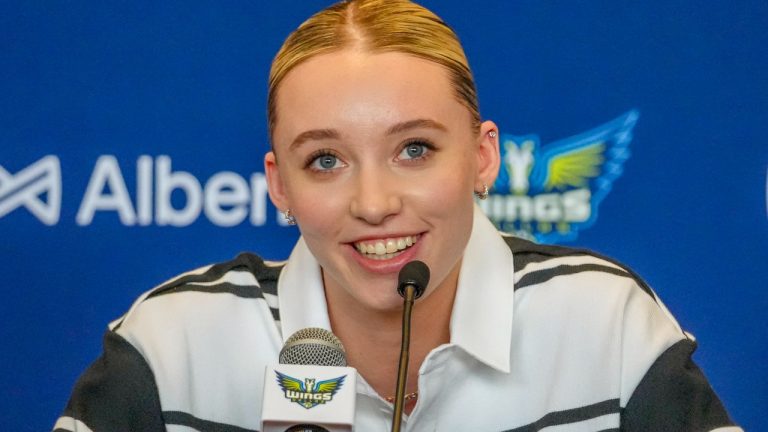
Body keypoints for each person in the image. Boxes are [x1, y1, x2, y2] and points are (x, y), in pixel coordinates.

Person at [53, 1, 741, 431]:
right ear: (279, 186)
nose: (375, 203)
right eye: (325, 159)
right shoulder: (171, 347)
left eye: (414, 149)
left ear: (482, 157)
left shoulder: (605, 323)